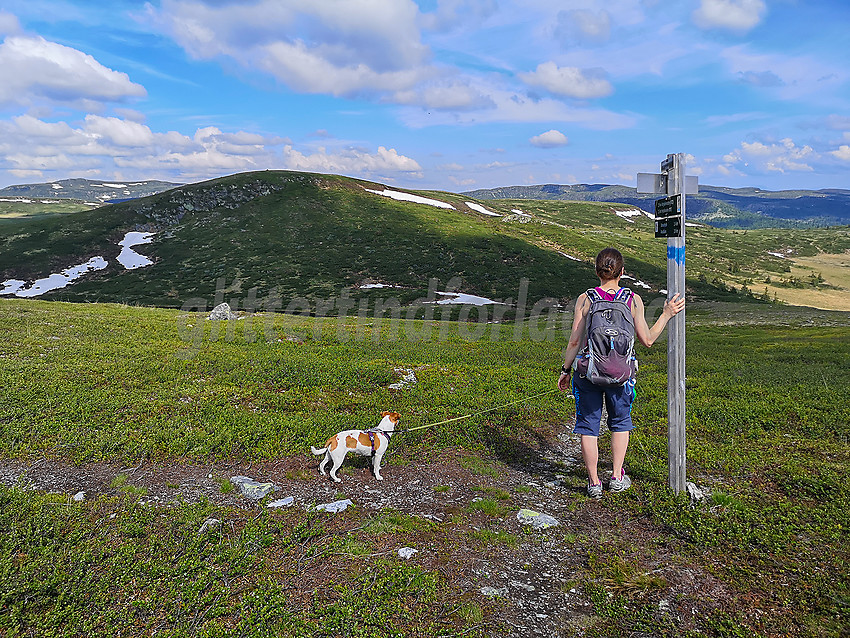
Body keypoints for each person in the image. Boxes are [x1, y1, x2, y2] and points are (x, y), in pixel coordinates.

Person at [557, 247, 685, 499]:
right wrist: (667, 313)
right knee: (620, 424)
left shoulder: (586, 299)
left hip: (588, 373)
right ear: (622, 272)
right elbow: (647, 339)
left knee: (588, 427)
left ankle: (594, 482)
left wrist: (565, 370)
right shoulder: (632, 299)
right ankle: (616, 476)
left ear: (597, 271)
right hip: (622, 373)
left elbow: (574, 341)